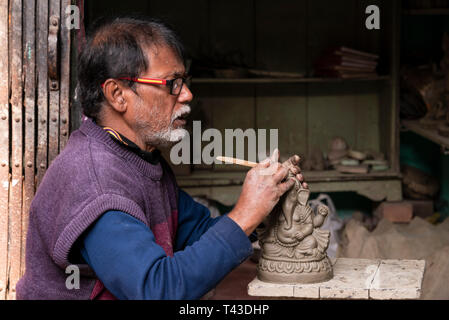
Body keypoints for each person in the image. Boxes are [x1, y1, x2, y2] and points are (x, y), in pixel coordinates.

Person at [16, 17, 307, 300]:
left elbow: (197, 235)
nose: (188, 94)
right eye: (172, 83)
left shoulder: (141, 158)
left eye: (185, 81)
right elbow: (158, 289)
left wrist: (260, 210)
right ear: (118, 94)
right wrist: (244, 215)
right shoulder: (95, 181)